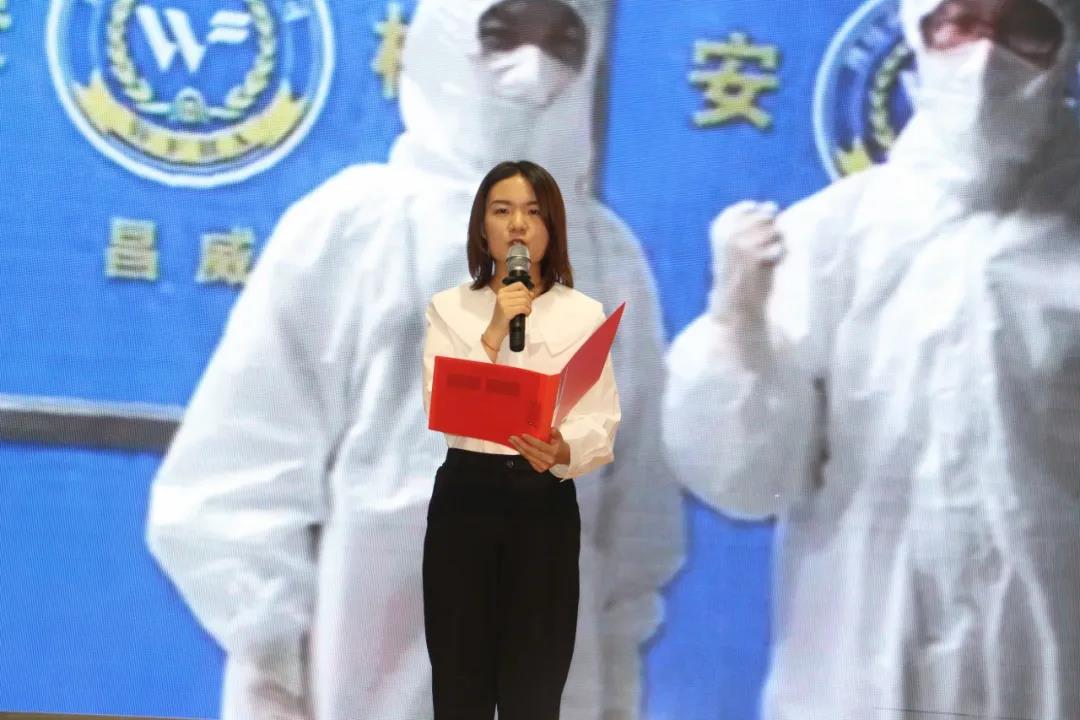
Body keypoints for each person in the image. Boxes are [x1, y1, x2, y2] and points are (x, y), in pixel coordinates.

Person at [145, 1, 683, 719]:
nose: (534, 65)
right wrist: (272, 661)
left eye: (562, 40)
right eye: (504, 32)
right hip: (351, 678)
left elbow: (635, 512)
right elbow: (236, 475)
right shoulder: (354, 231)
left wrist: (613, 685)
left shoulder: (607, 261)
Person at [662, 0, 1080, 718]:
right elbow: (747, 480)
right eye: (961, 22)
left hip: (1049, 643)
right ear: (919, 33)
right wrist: (737, 329)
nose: (986, 56)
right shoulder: (830, 236)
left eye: (1023, 27)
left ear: (1065, 46)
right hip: (857, 649)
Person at [422, 160, 619, 719]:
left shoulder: (582, 314)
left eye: (533, 213)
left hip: (543, 504)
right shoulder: (449, 308)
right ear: (481, 226)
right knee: (459, 687)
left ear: (551, 228)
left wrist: (563, 449)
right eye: (502, 211)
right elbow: (438, 401)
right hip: (467, 501)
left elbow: (600, 420)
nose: (517, 225)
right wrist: (492, 328)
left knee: (534, 690)